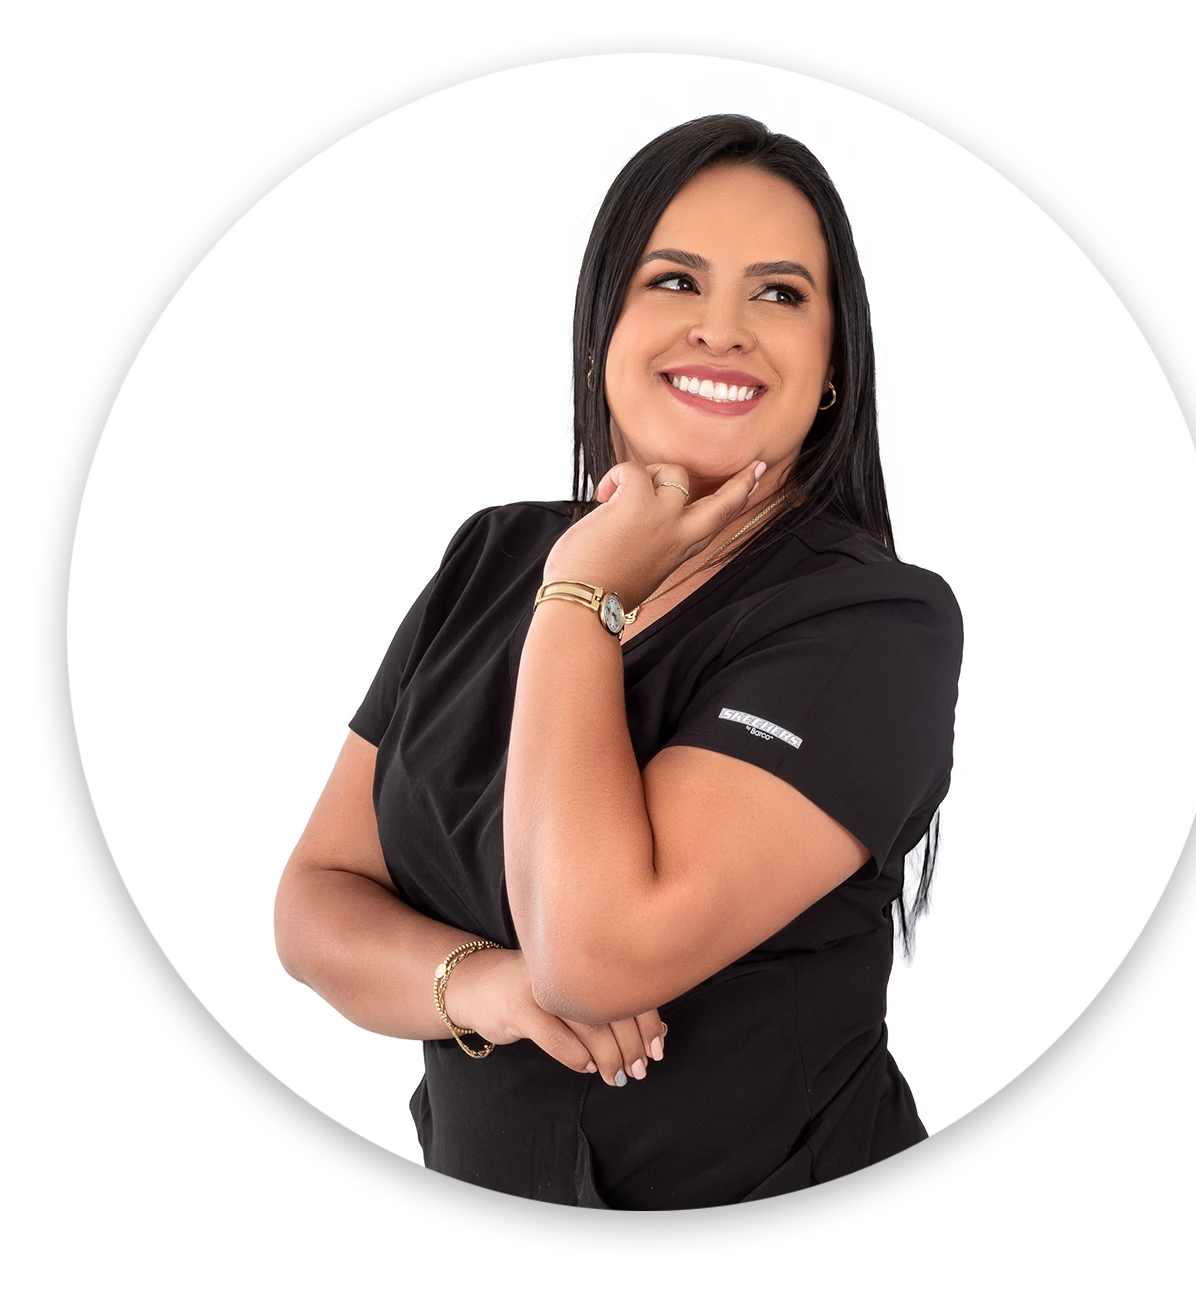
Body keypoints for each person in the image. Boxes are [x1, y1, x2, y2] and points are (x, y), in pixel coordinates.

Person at [273, 113, 963, 1211]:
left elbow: (597, 956)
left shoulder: (876, 625)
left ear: (833, 364)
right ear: (605, 328)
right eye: (675, 281)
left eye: (780, 294)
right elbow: (314, 904)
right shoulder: (493, 555)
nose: (723, 330)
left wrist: (578, 599)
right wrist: (486, 987)